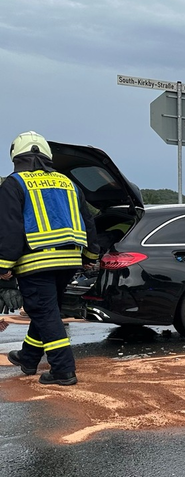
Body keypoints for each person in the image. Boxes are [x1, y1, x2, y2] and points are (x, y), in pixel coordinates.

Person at [0, 131, 99, 385]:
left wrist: (3, 267)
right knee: (47, 309)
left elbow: (9, 228)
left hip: (36, 263)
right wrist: (90, 255)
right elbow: (87, 221)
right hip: (68, 261)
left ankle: (63, 369)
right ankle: (28, 357)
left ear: (17, 158)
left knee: (44, 312)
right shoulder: (67, 182)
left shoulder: (15, 183)